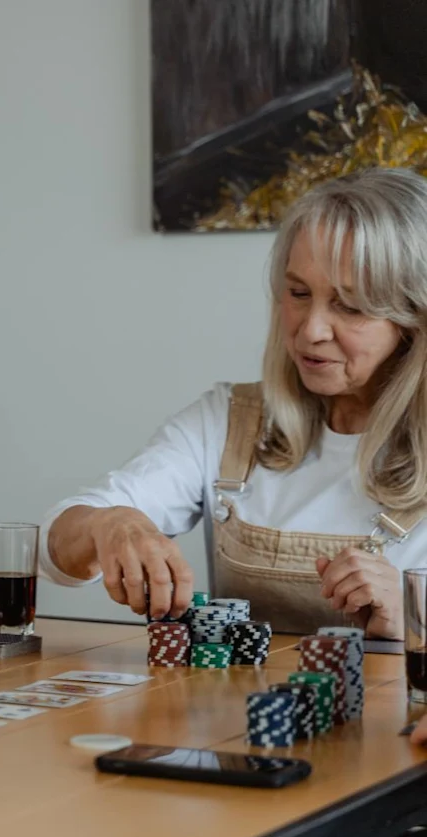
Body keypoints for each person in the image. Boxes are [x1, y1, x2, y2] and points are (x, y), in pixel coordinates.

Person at [41, 167, 427, 639]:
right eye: (298, 293)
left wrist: (414, 617)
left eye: (349, 305)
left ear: (413, 319)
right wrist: (110, 523)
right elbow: (50, 551)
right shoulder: (229, 422)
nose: (310, 330)